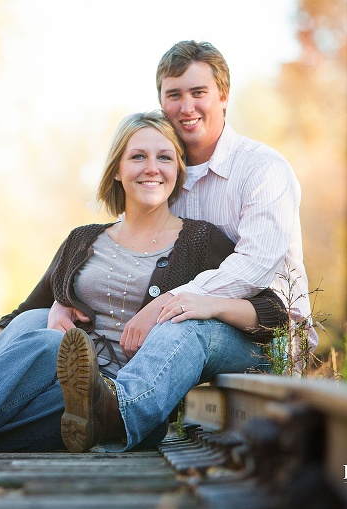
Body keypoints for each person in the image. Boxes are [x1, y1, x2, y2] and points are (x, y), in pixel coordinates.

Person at [0, 110, 288, 481]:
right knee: (42, 335)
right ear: (118, 169)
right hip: (73, 396)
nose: (151, 167)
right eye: (138, 156)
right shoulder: (83, 240)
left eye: (164, 157)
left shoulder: (201, 242)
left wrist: (205, 302)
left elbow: (273, 312)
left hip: (122, 398)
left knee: (46, 345)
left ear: (177, 171)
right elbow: (28, 309)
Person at [52, 40, 317, 453]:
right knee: (48, 333)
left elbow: (255, 265)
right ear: (160, 99)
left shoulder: (263, 170)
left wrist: (171, 300)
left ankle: (114, 415)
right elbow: (131, 249)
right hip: (179, 327)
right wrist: (65, 297)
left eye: (199, 93)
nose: (186, 107)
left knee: (185, 324)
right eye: (173, 95)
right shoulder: (167, 174)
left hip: (266, 330)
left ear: (224, 96)